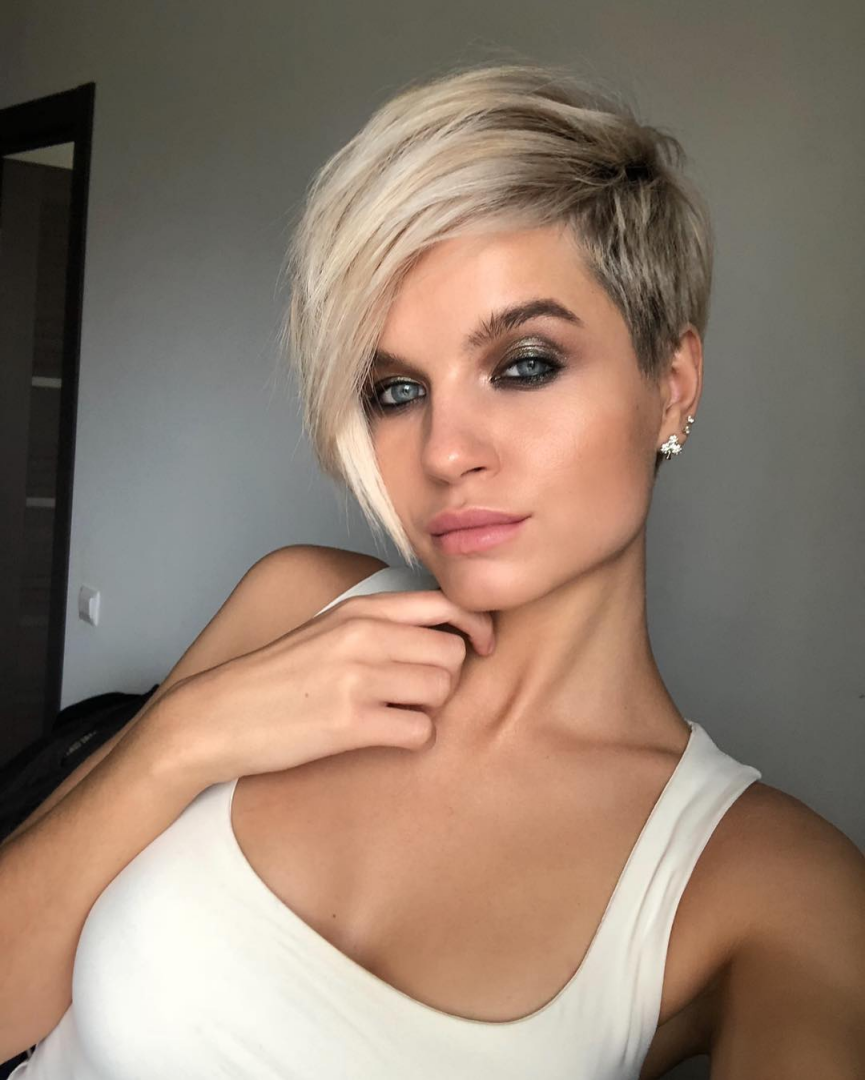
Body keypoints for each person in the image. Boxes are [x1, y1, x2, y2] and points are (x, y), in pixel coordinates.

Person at [1, 61, 863, 1079]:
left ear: (670, 385)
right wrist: (176, 739)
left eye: (524, 364)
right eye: (397, 390)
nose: (445, 450)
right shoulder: (296, 603)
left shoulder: (761, 882)